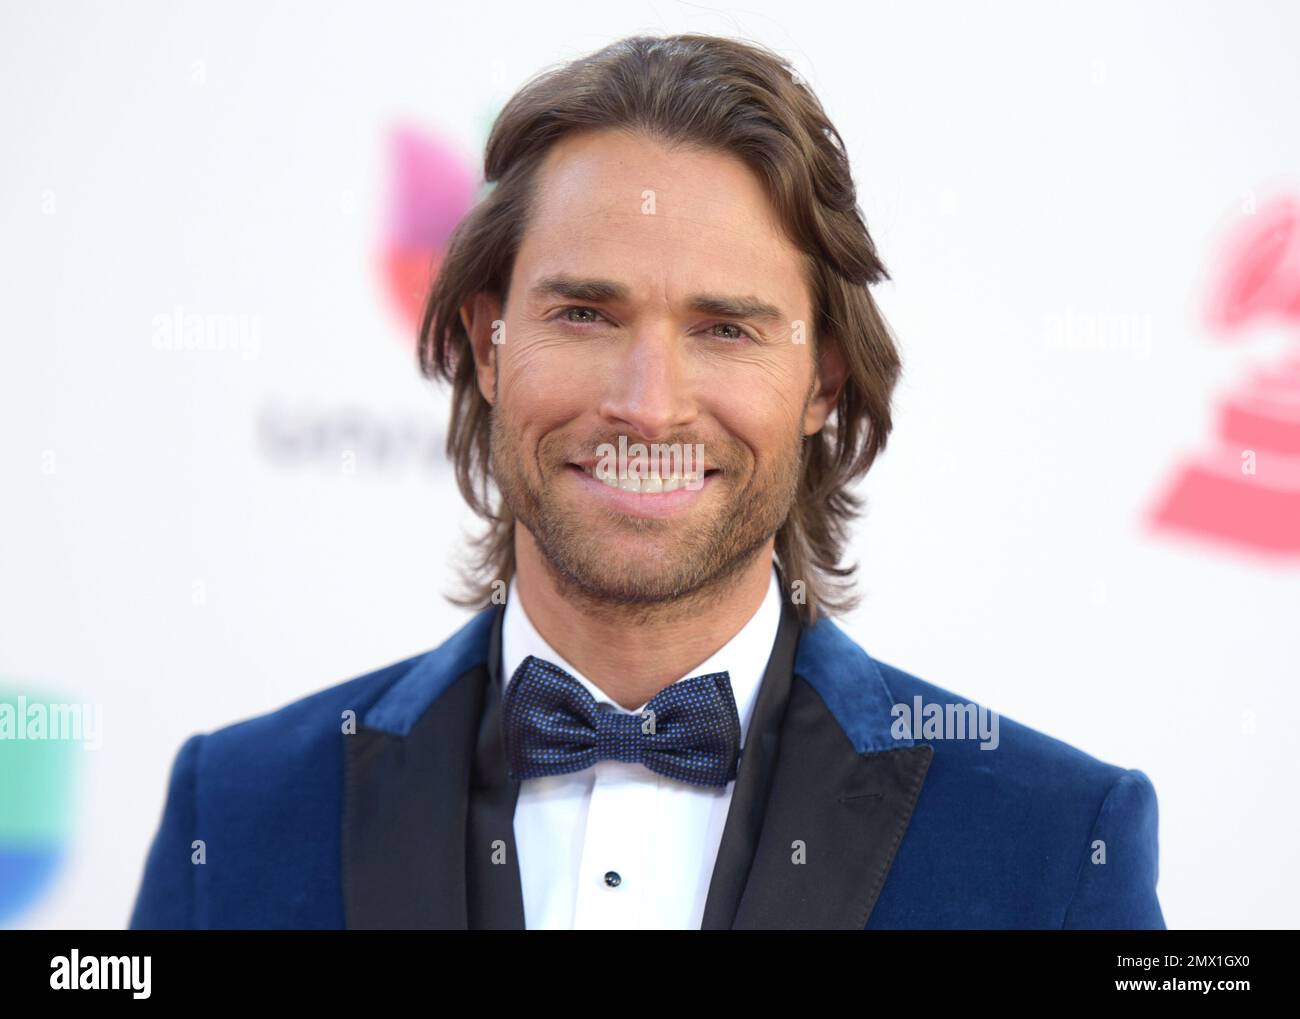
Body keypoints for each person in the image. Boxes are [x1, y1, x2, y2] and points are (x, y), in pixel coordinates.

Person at [129, 33, 1165, 929]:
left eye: (724, 328)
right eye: (586, 313)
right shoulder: (240, 810)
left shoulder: (1054, 844)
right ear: (489, 346)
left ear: (822, 381)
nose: (649, 402)